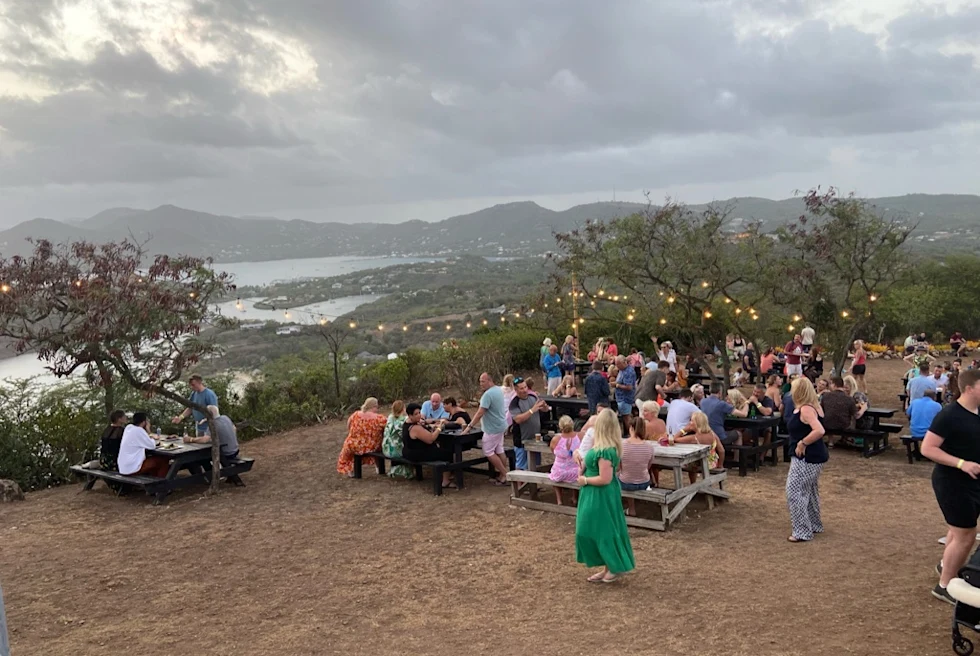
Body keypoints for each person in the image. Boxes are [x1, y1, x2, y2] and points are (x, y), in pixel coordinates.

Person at [921, 369, 980, 604]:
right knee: (967, 534)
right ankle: (944, 586)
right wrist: (961, 463)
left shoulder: (976, 412)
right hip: (952, 482)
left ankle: (947, 563)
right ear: (969, 389)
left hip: (973, 482)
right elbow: (928, 448)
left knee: (959, 531)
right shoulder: (950, 415)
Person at [575, 408, 635, 583]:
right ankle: (607, 566)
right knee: (590, 528)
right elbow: (588, 464)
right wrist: (580, 458)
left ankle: (613, 565)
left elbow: (605, 478)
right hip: (591, 491)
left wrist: (585, 480)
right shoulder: (599, 444)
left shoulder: (607, 450)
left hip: (600, 493)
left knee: (603, 528)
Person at [786, 377, 828, 542]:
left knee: (794, 491)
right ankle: (814, 524)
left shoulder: (806, 409)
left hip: (807, 457)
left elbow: (819, 430)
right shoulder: (815, 406)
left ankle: (802, 531)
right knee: (809, 491)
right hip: (814, 456)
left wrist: (803, 443)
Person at [464, 373, 511, 484]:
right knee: (499, 450)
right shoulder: (498, 390)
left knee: (488, 451)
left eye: (483, 381)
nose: (481, 384)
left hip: (493, 428)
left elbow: (480, 412)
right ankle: (503, 476)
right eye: (480, 381)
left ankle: (506, 474)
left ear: (490, 380)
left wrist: (469, 426)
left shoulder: (488, 394)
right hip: (501, 425)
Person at [401, 402, 455, 489]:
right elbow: (431, 439)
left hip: (407, 451)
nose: (419, 415)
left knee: (438, 449)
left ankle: (447, 474)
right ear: (410, 416)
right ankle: (446, 481)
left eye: (419, 413)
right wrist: (439, 427)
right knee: (447, 453)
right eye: (415, 414)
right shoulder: (415, 428)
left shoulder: (407, 423)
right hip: (417, 453)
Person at [336, 397, 387, 476]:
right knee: (379, 445)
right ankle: (378, 467)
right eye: (377, 407)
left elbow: (348, 425)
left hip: (352, 444)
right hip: (370, 446)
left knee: (352, 446)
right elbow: (387, 429)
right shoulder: (379, 418)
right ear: (374, 406)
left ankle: (351, 469)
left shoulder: (355, 414)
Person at [618, 416, 655, 517]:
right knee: (634, 473)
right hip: (644, 482)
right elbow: (648, 466)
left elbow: (618, 467)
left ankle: (630, 508)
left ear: (631, 428)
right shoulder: (649, 446)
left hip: (626, 482)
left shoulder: (622, 445)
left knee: (619, 477)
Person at [672, 410, 724, 482]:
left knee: (689, 463)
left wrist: (684, 430)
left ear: (697, 424)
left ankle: (693, 484)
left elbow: (675, 439)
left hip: (701, 463)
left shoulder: (694, 438)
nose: (690, 423)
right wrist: (720, 465)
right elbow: (721, 450)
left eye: (692, 421)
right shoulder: (712, 434)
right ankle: (703, 484)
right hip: (712, 463)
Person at [509, 377, 548, 471]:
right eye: (521, 388)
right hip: (522, 440)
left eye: (525, 387)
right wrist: (532, 410)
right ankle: (519, 485)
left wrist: (544, 406)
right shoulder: (514, 403)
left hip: (535, 438)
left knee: (535, 465)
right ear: (516, 390)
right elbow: (518, 419)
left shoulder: (533, 397)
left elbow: (545, 410)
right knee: (521, 467)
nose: (525, 390)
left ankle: (532, 485)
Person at [118, 412, 170, 477]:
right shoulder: (139, 430)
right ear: (144, 422)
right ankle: (161, 484)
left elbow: (141, 439)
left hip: (123, 467)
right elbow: (152, 446)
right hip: (132, 468)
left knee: (154, 461)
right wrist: (148, 429)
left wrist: (149, 436)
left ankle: (154, 480)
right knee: (163, 460)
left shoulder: (128, 428)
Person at [701, 382, 748, 453]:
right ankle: (737, 459)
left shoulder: (702, 401)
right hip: (719, 437)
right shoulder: (722, 404)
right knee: (739, 434)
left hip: (704, 435)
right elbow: (744, 414)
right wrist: (746, 403)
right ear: (720, 392)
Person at [549, 415, 581, 506]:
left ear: (560, 426)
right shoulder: (579, 436)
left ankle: (559, 500)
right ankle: (575, 497)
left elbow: (552, 450)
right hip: (575, 472)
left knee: (553, 474)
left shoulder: (556, 439)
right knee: (576, 468)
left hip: (559, 472)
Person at [382, 400, 414, 479]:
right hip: (396, 451)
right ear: (403, 409)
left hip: (386, 449)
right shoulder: (405, 419)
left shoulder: (390, 417)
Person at [907, 393, 942, 461]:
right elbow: (941, 419)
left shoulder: (915, 402)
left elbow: (908, 414)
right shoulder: (937, 405)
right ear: (934, 397)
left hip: (914, 431)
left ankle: (918, 451)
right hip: (929, 433)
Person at [613, 355, 637, 419]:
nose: (617, 366)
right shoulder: (622, 370)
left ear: (624, 363)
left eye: (618, 364)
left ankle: (629, 429)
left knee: (626, 417)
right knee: (624, 417)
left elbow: (629, 387)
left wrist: (617, 385)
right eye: (616, 364)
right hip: (620, 398)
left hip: (625, 399)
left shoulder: (628, 372)